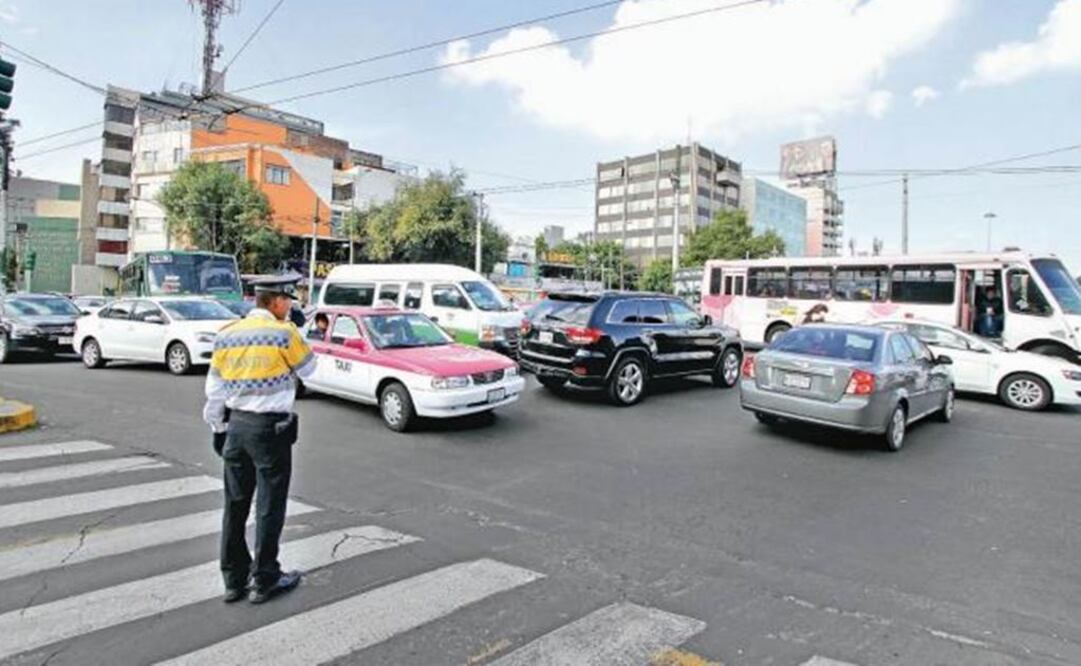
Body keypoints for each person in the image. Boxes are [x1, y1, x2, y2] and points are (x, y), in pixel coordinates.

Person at [203, 279, 316, 605]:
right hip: (270, 431)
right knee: (269, 505)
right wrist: (299, 334)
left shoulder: (226, 334)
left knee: (234, 505)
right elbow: (311, 370)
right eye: (289, 301)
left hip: (235, 426)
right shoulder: (285, 334)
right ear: (277, 302)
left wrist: (218, 427)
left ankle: (234, 580)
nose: (291, 306)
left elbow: (215, 390)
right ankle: (264, 579)